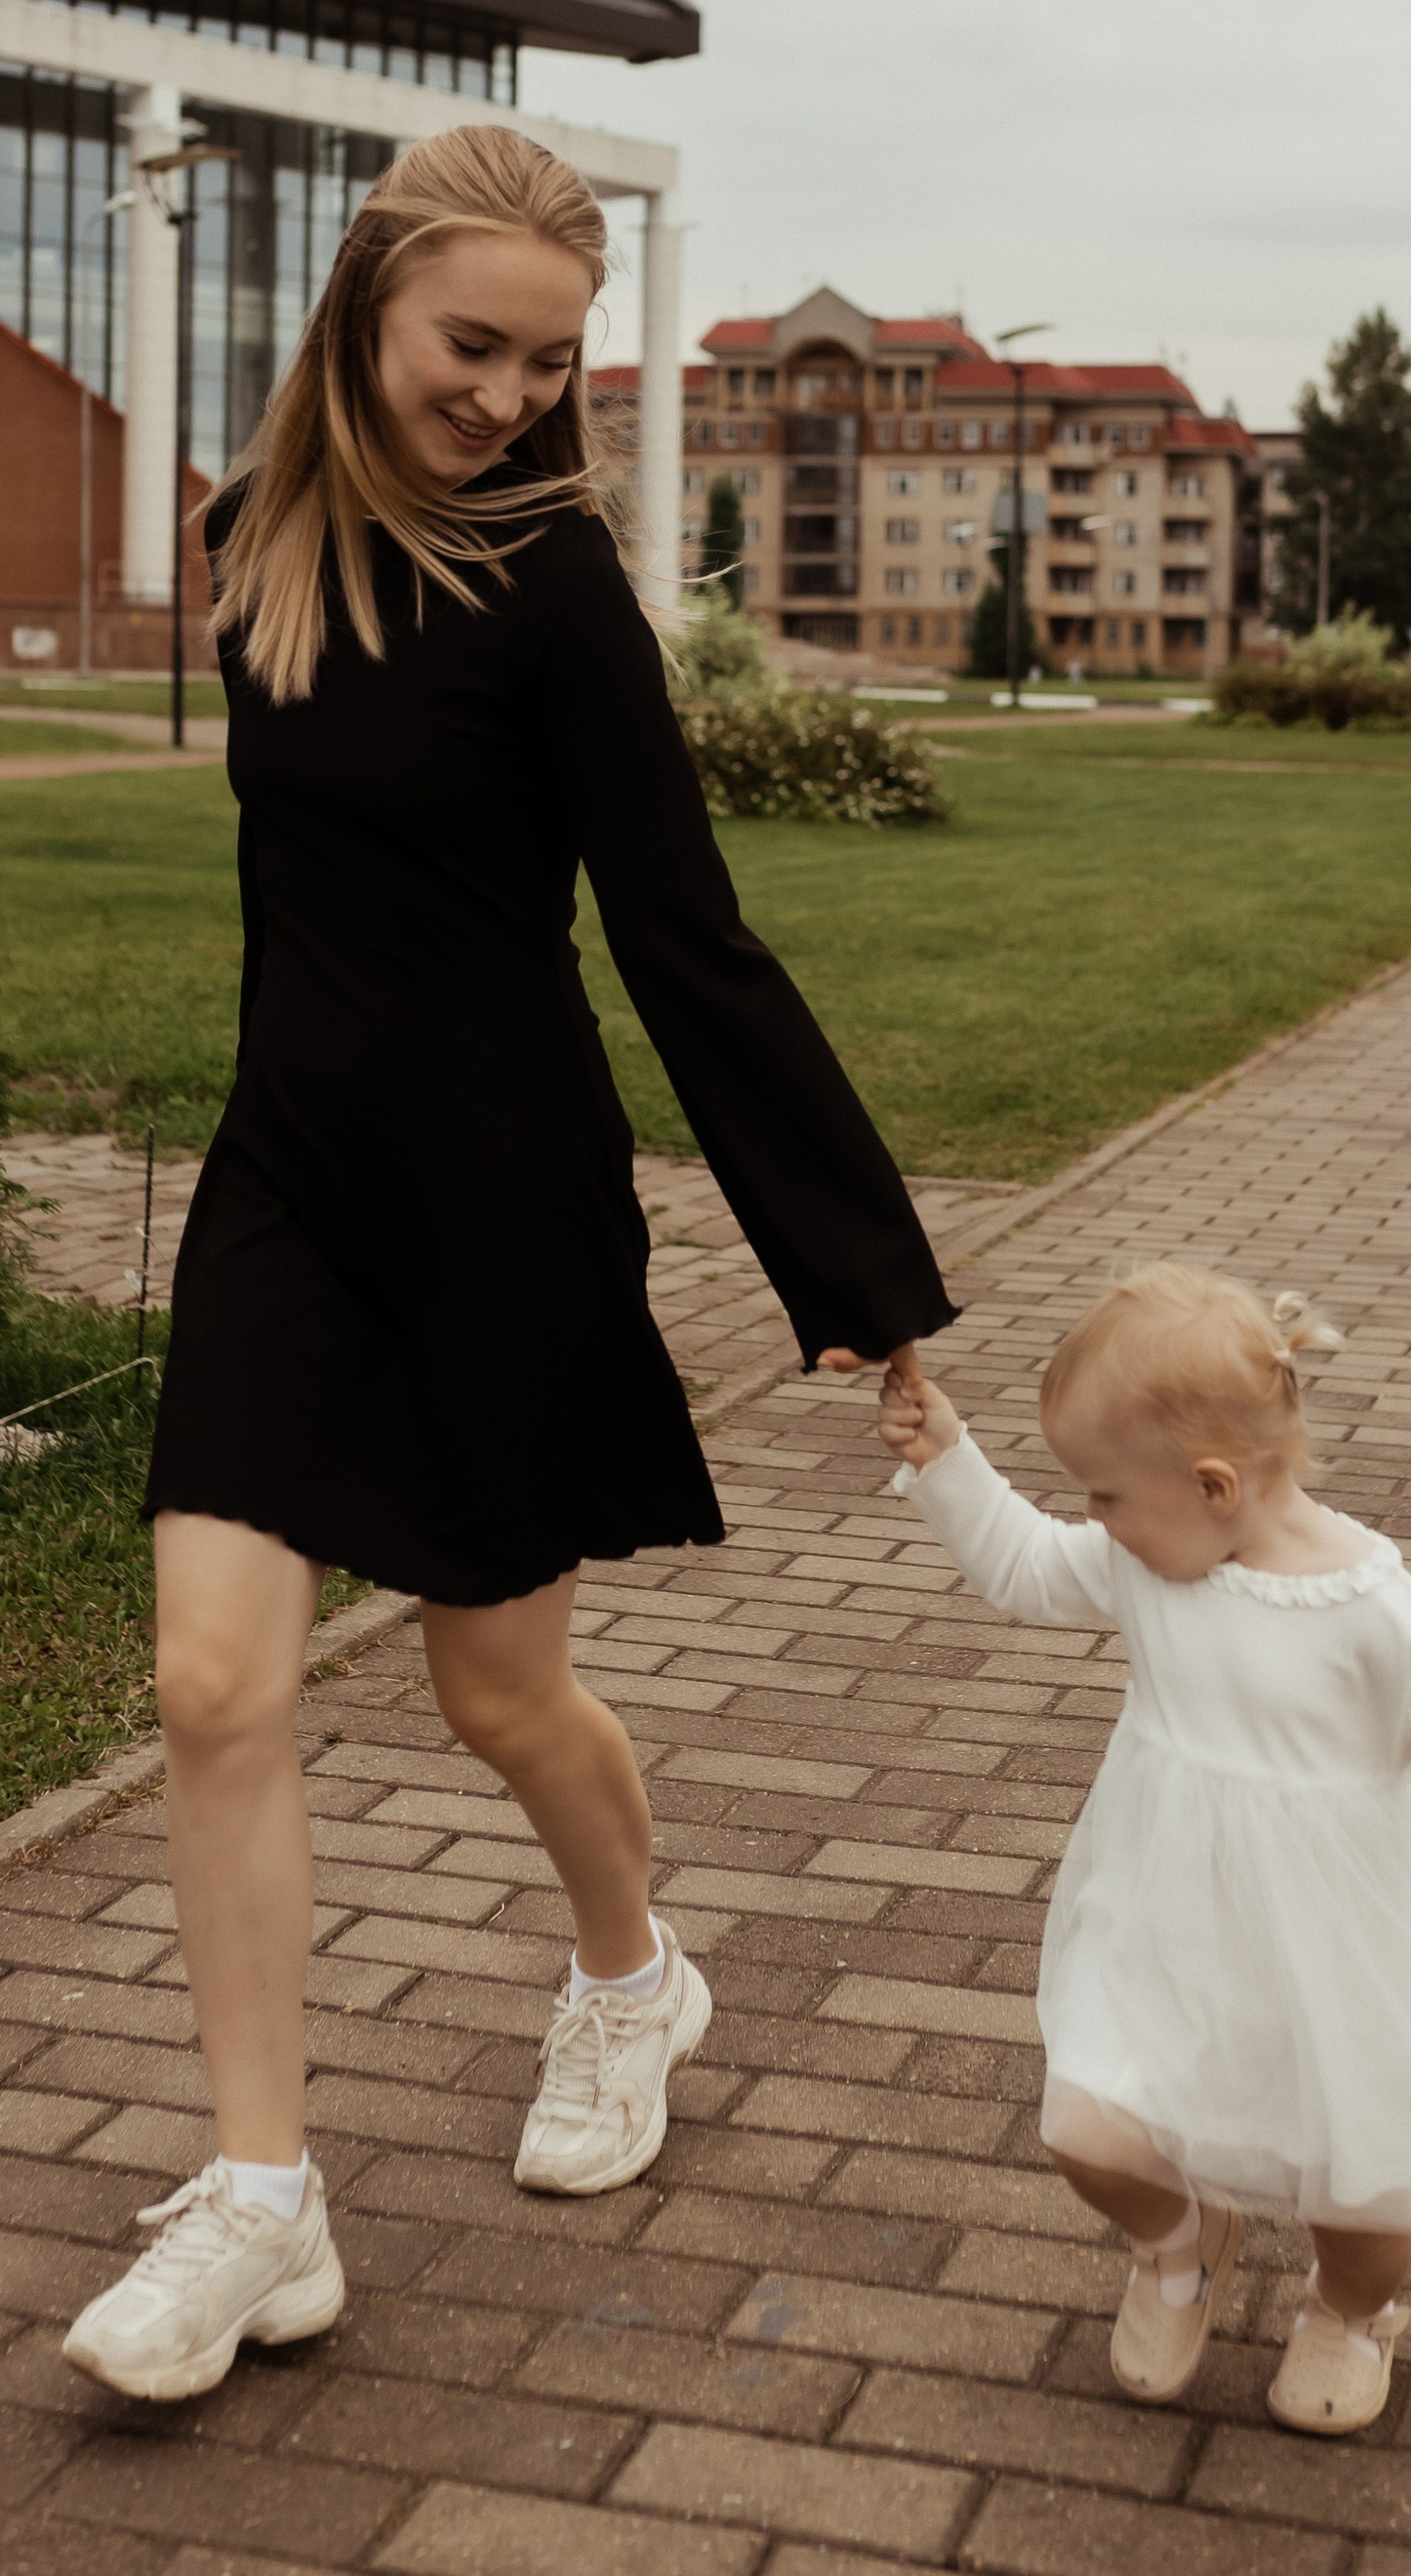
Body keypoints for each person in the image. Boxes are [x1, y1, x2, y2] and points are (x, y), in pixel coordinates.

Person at [62, 121, 953, 2403]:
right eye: (474, 344)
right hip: (284, 1191)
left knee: (491, 1693)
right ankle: (260, 2198)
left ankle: (630, 1970)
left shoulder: (554, 583)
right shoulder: (249, 538)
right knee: (207, 1685)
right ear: (363, 303)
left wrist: (846, 1257)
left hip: (500, 1208)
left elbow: (684, 938)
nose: (508, 392)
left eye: (549, 361)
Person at [866, 1263, 1411, 2433]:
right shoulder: (1147, 1559)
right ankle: (1180, 2248)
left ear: (1212, 1484)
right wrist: (948, 1459)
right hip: (1165, 1910)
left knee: (1362, 2200)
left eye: (1107, 1496)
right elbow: (1020, 1567)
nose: (1095, 1521)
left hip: (1339, 1945)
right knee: (1088, 2128)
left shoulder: (1373, 1609)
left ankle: (1349, 2311)